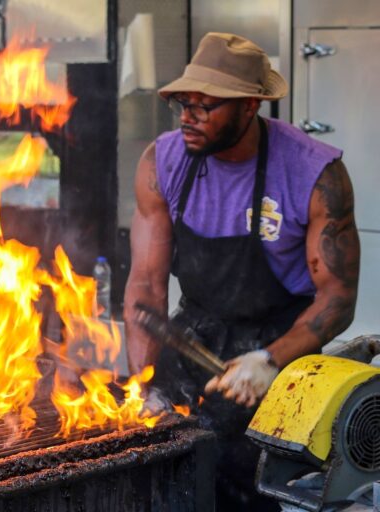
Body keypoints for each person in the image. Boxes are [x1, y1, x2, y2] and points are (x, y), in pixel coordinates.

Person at [123, 33, 359, 510]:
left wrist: (269, 360)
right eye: (183, 104)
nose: (188, 116)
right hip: (194, 333)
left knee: (245, 492)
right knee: (156, 480)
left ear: (251, 106)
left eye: (205, 106)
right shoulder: (161, 163)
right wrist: (143, 386)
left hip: (278, 345)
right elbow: (145, 289)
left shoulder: (314, 173)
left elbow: (336, 299)